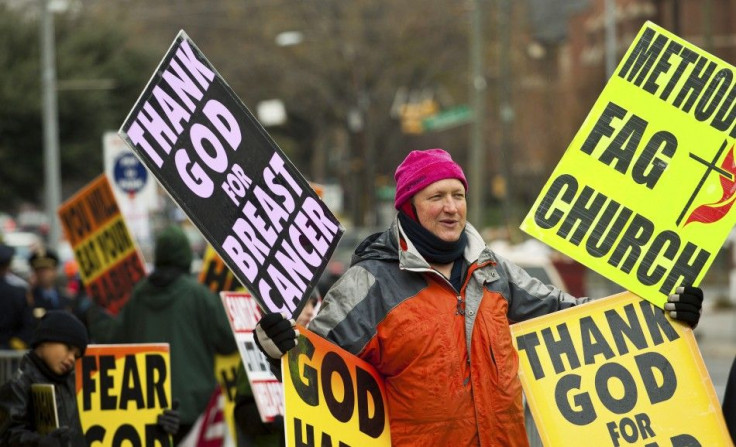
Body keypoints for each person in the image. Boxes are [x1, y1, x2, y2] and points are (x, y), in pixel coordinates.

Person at [253, 148, 704, 446]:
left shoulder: (494, 272)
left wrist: (662, 310)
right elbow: (310, 368)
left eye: (459, 195)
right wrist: (277, 348)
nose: (451, 207)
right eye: (436, 197)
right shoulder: (368, 283)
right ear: (409, 207)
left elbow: (579, 320)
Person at [87, 225, 238, 444]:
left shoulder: (138, 295)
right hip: (193, 408)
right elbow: (228, 341)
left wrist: (96, 318)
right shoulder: (199, 296)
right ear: (185, 256)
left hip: (148, 409)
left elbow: (114, 341)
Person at [0, 311, 180, 446]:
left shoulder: (73, 383)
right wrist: (41, 443)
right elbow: (6, 436)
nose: (72, 358)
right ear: (45, 340)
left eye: (77, 355)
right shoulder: (17, 386)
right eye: (68, 348)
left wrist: (156, 425)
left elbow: (113, 419)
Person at [233, 290, 321, 447]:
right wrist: (271, 421)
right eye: (304, 303)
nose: (310, 311)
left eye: (313, 304)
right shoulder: (257, 350)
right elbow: (242, 412)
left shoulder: (318, 351)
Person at [0, 243, 34, 349]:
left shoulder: (19, 291)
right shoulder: (19, 293)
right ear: (8, 265)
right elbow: (28, 324)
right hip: (10, 352)